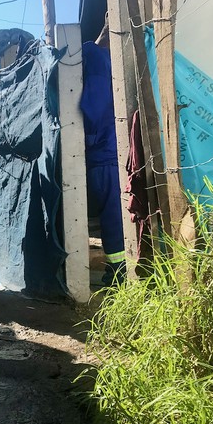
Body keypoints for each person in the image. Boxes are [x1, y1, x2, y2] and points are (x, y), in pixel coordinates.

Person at [80, 18, 126, 284]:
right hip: (105, 152)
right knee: (114, 216)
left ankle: (118, 270)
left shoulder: (98, 57)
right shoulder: (98, 57)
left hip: (103, 153)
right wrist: (90, 138)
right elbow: (95, 107)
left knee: (112, 216)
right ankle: (119, 272)